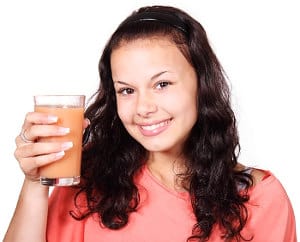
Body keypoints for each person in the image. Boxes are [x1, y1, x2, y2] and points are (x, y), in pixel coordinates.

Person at [3, 5, 297, 242]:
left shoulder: (260, 199)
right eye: (127, 90)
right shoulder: (88, 180)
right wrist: (34, 183)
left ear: (202, 84)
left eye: (162, 84)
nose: (143, 108)